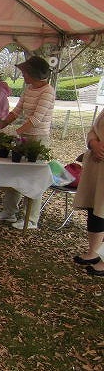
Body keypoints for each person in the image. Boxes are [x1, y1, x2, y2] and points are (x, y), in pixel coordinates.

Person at [0, 56, 55, 229]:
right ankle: (9, 212)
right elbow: (16, 111)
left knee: (34, 177)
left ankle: (32, 219)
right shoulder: (28, 88)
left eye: (25, 72)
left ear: (33, 73)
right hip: (24, 137)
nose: (23, 75)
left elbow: (36, 119)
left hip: (38, 139)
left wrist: (15, 132)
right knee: (15, 173)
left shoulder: (48, 91)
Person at [72, 109, 104, 276]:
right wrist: (94, 144)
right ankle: (93, 252)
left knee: (102, 210)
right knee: (94, 209)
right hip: (96, 167)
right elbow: (94, 129)